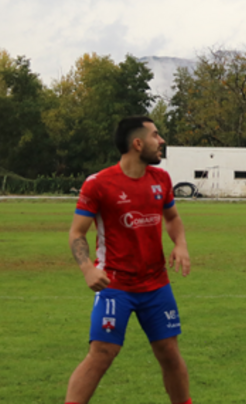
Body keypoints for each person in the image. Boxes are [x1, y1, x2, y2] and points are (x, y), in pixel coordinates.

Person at [65, 116, 192, 404]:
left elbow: (172, 218)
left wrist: (180, 244)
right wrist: (87, 269)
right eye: (155, 135)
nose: (161, 141)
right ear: (137, 143)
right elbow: (77, 233)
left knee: (169, 353)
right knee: (102, 353)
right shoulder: (98, 184)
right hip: (115, 285)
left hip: (156, 285)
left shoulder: (161, 179)